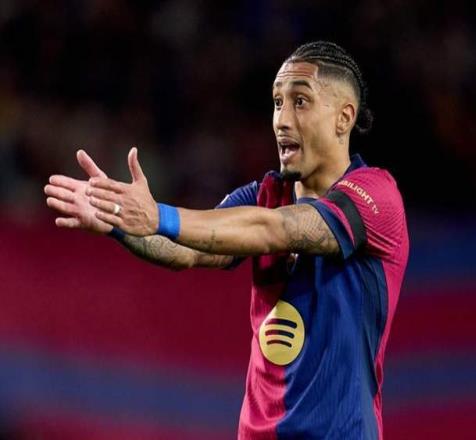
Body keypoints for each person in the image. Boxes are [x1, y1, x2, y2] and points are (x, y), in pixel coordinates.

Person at [45, 41, 409, 439]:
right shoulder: (263, 195)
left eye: (300, 102)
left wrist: (159, 216)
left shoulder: (376, 196)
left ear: (344, 118)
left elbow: (277, 229)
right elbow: (186, 249)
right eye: (277, 103)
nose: (282, 120)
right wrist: (116, 219)